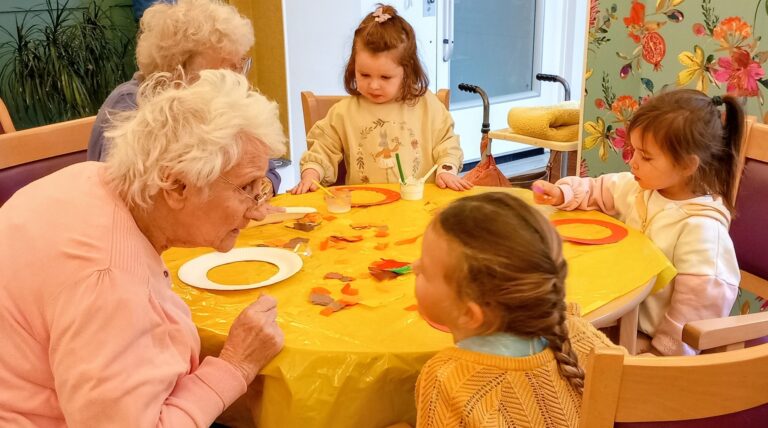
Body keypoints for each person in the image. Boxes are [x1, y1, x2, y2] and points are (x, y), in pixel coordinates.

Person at [0, 69, 287, 426]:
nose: (259, 210)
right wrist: (236, 365)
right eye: (247, 187)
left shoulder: (88, 179)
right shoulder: (108, 280)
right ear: (177, 186)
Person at [533, 89, 742, 356]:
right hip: (619, 320)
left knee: (551, 356)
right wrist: (563, 193)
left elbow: (697, 310)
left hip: (653, 346)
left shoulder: (701, 229)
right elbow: (598, 189)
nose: (633, 162)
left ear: (688, 165)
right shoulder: (639, 189)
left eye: (646, 156)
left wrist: (660, 353)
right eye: (633, 151)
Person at [413, 192, 616, 427]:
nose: (414, 266)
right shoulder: (581, 335)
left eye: (424, 270)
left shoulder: (448, 380)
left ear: (470, 314)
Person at [88, 0, 282, 195]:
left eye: (240, 66)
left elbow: (267, 167)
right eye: (226, 71)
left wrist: (260, 188)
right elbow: (133, 197)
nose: (239, 81)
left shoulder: (220, 101)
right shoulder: (132, 105)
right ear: (177, 69)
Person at [291, 5, 471, 194]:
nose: (374, 85)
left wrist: (446, 169)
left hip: (420, 207)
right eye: (364, 75)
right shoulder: (343, 113)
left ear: (407, 72)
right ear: (353, 67)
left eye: (385, 77)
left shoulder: (426, 104)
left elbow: (447, 143)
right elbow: (322, 150)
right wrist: (311, 175)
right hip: (365, 210)